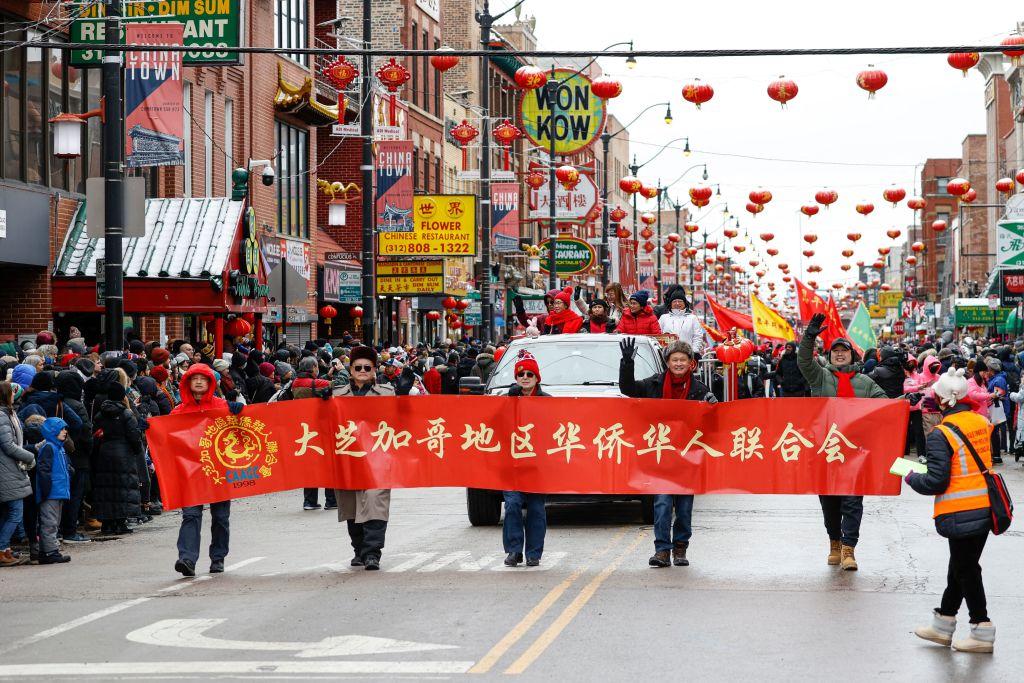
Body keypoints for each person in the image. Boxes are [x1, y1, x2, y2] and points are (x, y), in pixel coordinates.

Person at [908, 368, 998, 653]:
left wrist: (910, 475)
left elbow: (936, 480)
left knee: (966, 568)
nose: (932, 400)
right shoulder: (980, 422)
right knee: (959, 566)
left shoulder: (941, 434)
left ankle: (981, 629)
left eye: (935, 396)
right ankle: (943, 623)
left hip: (960, 509)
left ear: (946, 400)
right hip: (985, 506)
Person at [798, 312, 887, 571]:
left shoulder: (866, 382)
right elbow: (803, 361)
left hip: (855, 453)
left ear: (852, 355)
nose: (839, 354)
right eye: (835, 351)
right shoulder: (820, 377)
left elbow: (886, 406)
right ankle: (834, 543)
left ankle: (849, 549)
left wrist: (905, 403)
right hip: (825, 451)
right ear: (829, 356)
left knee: (852, 501)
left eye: (844, 351)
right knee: (829, 502)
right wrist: (810, 334)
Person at [620, 338, 717, 568]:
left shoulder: (699, 390)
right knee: (662, 504)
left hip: (687, 458)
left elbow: (712, 424)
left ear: (691, 363)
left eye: (683, 359)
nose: (679, 363)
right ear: (667, 362)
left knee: (684, 508)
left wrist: (713, 405)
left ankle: (680, 548)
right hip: (660, 457)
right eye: (675, 359)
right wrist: (627, 363)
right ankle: (662, 550)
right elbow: (628, 389)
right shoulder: (653, 384)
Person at [332, 346, 393, 571]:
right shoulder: (335, 395)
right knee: (351, 507)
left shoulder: (387, 393)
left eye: (368, 367)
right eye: (358, 367)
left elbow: (401, 419)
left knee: (376, 504)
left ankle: (372, 554)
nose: (363, 371)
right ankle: (358, 549)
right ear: (350, 369)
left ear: (375, 370)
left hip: (377, 459)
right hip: (348, 459)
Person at [173, 364, 236, 577]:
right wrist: (150, 428)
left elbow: (239, 430)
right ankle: (187, 559)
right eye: (194, 378)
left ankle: (218, 558)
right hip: (191, 472)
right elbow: (167, 437)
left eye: (204, 378)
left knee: (220, 517)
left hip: (218, 470)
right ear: (187, 383)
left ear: (210, 383)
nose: (199, 382)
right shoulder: (178, 411)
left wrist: (238, 412)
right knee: (190, 515)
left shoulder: (222, 405)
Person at [503, 351, 550, 567]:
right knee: (512, 506)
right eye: (521, 373)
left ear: (537, 377)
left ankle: (534, 553)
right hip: (512, 465)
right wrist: (510, 402)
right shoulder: (506, 400)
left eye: (530, 374)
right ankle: (513, 551)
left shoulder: (549, 403)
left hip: (537, 467)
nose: (525, 377)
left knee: (536, 509)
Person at [92, 380, 144, 536]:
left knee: (106, 488)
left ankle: (107, 523)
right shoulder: (126, 414)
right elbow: (134, 436)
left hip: (104, 453)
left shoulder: (100, 414)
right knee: (123, 488)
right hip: (123, 454)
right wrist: (136, 450)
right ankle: (120, 522)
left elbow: (96, 434)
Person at [291, 357, 336, 512]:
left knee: (309, 466)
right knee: (329, 465)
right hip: (320, 428)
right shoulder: (313, 383)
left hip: (304, 430)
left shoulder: (295, 382)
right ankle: (331, 500)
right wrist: (341, 371)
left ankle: (309, 501)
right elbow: (339, 385)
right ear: (313, 368)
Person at [0, 381, 34, 567]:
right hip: (7, 470)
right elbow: (8, 445)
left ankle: (4, 549)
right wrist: (29, 456)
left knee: (7, 512)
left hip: (8, 469)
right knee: (15, 512)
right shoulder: (2, 416)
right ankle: (1, 548)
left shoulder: (7, 414)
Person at [35, 417, 72, 564]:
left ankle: (46, 551)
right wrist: (45, 490)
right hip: (51, 492)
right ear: (52, 431)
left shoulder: (59, 447)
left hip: (58, 491)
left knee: (53, 522)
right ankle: (50, 551)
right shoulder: (49, 447)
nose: (65, 431)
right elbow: (44, 470)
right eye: (62, 429)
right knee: (49, 522)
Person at [656, 286, 706, 353]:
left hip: (687, 355)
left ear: (685, 303)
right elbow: (658, 335)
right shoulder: (664, 318)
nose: (677, 303)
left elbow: (697, 336)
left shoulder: (692, 318)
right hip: (668, 355)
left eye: (680, 301)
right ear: (670, 304)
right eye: (674, 301)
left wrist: (694, 352)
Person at [984, 356, 1009, 465]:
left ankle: (996, 455)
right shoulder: (997, 378)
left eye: (987, 370)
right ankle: (996, 454)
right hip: (996, 408)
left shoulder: (998, 380)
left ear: (991, 371)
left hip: (996, 409)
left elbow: (997, 395)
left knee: (994, 432)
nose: (986, 372)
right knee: (994, 432)